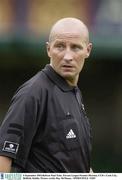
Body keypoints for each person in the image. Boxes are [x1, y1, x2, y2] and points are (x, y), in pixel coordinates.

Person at [0, 17, 92, 173]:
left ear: (88, 50)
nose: (67, 56)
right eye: (60, 46)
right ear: (48, 49)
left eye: (75, 47)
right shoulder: (33, 93)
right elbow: (4, 157)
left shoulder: (74, 92)